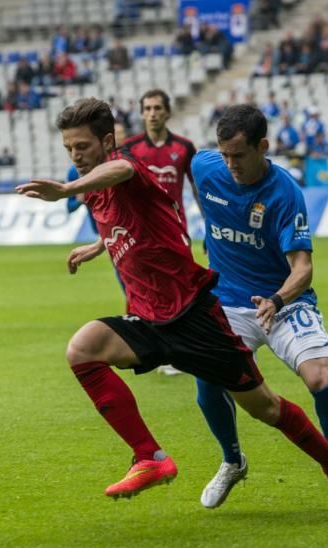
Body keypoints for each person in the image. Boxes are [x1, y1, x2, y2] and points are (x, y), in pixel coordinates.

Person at [13, 98, 328, 518]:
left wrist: (68, 188)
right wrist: (100, 244)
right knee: (82, 349)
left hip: (195, 315)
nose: (75, 156)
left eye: (83, 147)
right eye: (69, 148)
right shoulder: (101, 187)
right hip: (150, 317)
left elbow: (124, 170)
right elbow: (139, 223)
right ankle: (151, 457)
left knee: (265, 408)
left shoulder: (125, 167)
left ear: (107, 141)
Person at [189, 104, 328, 509]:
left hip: (282, 300)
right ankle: (232, 461)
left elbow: (303, 268)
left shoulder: (285, 192)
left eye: (240, 154)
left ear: (263, 146)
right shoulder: (204, 166)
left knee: (321, 378)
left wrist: (277, 299)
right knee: (207, 379)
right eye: (225, 154)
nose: (230, 164)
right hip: (228, 302)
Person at [121, 89, 199, 377]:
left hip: (175, 231)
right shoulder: (129, 148)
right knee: (142, 291)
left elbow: (197, 188)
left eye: (157, 108)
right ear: (141, 113)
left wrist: (210, 227)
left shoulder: (184, 147)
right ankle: (147, 349)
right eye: (148, 108)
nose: (152, 113)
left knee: (182, 292)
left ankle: (180, 349)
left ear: (167, 112)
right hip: (140, 234)